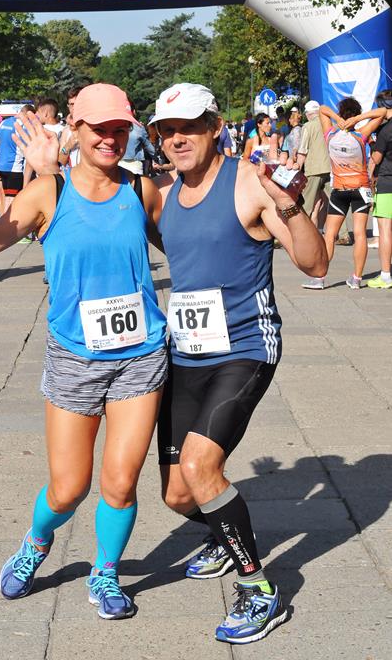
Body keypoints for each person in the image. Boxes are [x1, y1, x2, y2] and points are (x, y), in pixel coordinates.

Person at [0, 83, 168, 620]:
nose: (110, 139)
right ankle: (36, 542)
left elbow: (189, 244)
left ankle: (105, 572)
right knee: (69, 489)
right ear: (76, 130)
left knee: (120, 483)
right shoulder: (49, 191)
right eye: (99, 129)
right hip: (74, 357)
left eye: (119, 129)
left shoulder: (141, 190)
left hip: (141, 355)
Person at [148, 82, 327, 645]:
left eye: (189, 127)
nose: (177, 139)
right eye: (167, 131)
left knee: (201, 466)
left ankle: (260, 590)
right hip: (186, 353)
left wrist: (289, 203)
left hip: (246, 348)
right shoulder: (165, 193)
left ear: (215, 127)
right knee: (178, 494)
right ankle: (226, 536)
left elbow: (316, 263)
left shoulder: (249, 182)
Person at [302, 98, 386, 290]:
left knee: (330, 234)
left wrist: (337, 119)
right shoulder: (361, 134)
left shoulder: (330, 134)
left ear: (341, 113)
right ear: (355, 115)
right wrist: (358, 119)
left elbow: (323, 109)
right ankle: (356, 279)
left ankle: (320, 278)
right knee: (360, 233)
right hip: (361, 189)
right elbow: (382, 112)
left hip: (339, 190)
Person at [296, 100, 349, 244]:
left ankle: (301, 234)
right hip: (330, 168)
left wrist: (298, 167)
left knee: (306, 204)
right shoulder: (331, 125)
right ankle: (343, 234)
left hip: (314, 169)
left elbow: (303, 150)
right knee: (335, 202)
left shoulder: (307, 126)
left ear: (308, 114)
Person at [367, 90, 392, 288]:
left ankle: (385, 275)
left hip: (387, 182)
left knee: (385, 230)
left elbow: (376, 158)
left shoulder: (385, 130)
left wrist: (372, 144)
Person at [0, 104, 35, 211]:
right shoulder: (22, 125)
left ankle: (5, 219)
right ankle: (8, 221)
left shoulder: (4, 123)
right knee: (12, 200)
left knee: (7, 198)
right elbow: (27, 147)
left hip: (2, 167)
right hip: (15, 167)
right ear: (28, 114)